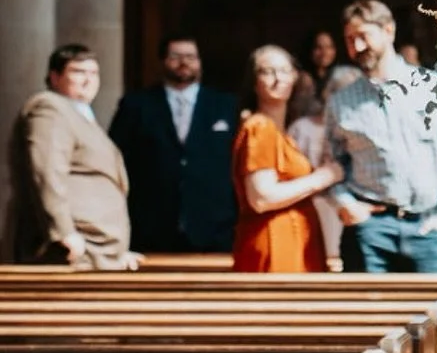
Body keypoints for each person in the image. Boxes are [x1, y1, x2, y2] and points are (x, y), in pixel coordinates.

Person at [324, 0, 437, 274]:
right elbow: (331, 166)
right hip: (369, 231)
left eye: (363, 36)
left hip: (428, 227)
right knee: (369, 318)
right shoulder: (341, 102)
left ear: (388, 31)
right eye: (349, 39)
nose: (356, 47)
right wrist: (346, 204)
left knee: (435, 316)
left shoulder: (434, 88)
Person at [6, 45, 136, 269]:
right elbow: (47, 171)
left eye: (93, 73)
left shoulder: (80, 115)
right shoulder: (50, 108)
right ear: (55, 78)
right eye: (78, 72)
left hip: (98, 248)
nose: (88, 80)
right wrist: (63, 232)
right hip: (74, 248)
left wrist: (116, 252)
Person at [110, 34, 239, 253]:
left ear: (199, 62)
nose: (184, 62)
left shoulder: (226, 105)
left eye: (191, 56)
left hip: (214, 227)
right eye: (175, 56)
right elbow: (116, 158)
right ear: (162, 61)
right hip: (152, 226)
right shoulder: (136, 105)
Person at [231, 46, 342, 273]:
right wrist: (322, 177)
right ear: (254, 82)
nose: (277, 78)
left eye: (284, 70)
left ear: (295, 77)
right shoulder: (259, 126)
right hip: (275, 244)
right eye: (267, 71)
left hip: (295, 243)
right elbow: (262, 196)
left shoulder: (281, 132)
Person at [289, 64, 362, 267]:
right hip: (311, 208)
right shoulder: (301, 128)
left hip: (349, 210)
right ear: (327, 93)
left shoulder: (361, 132)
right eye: (339, 92)